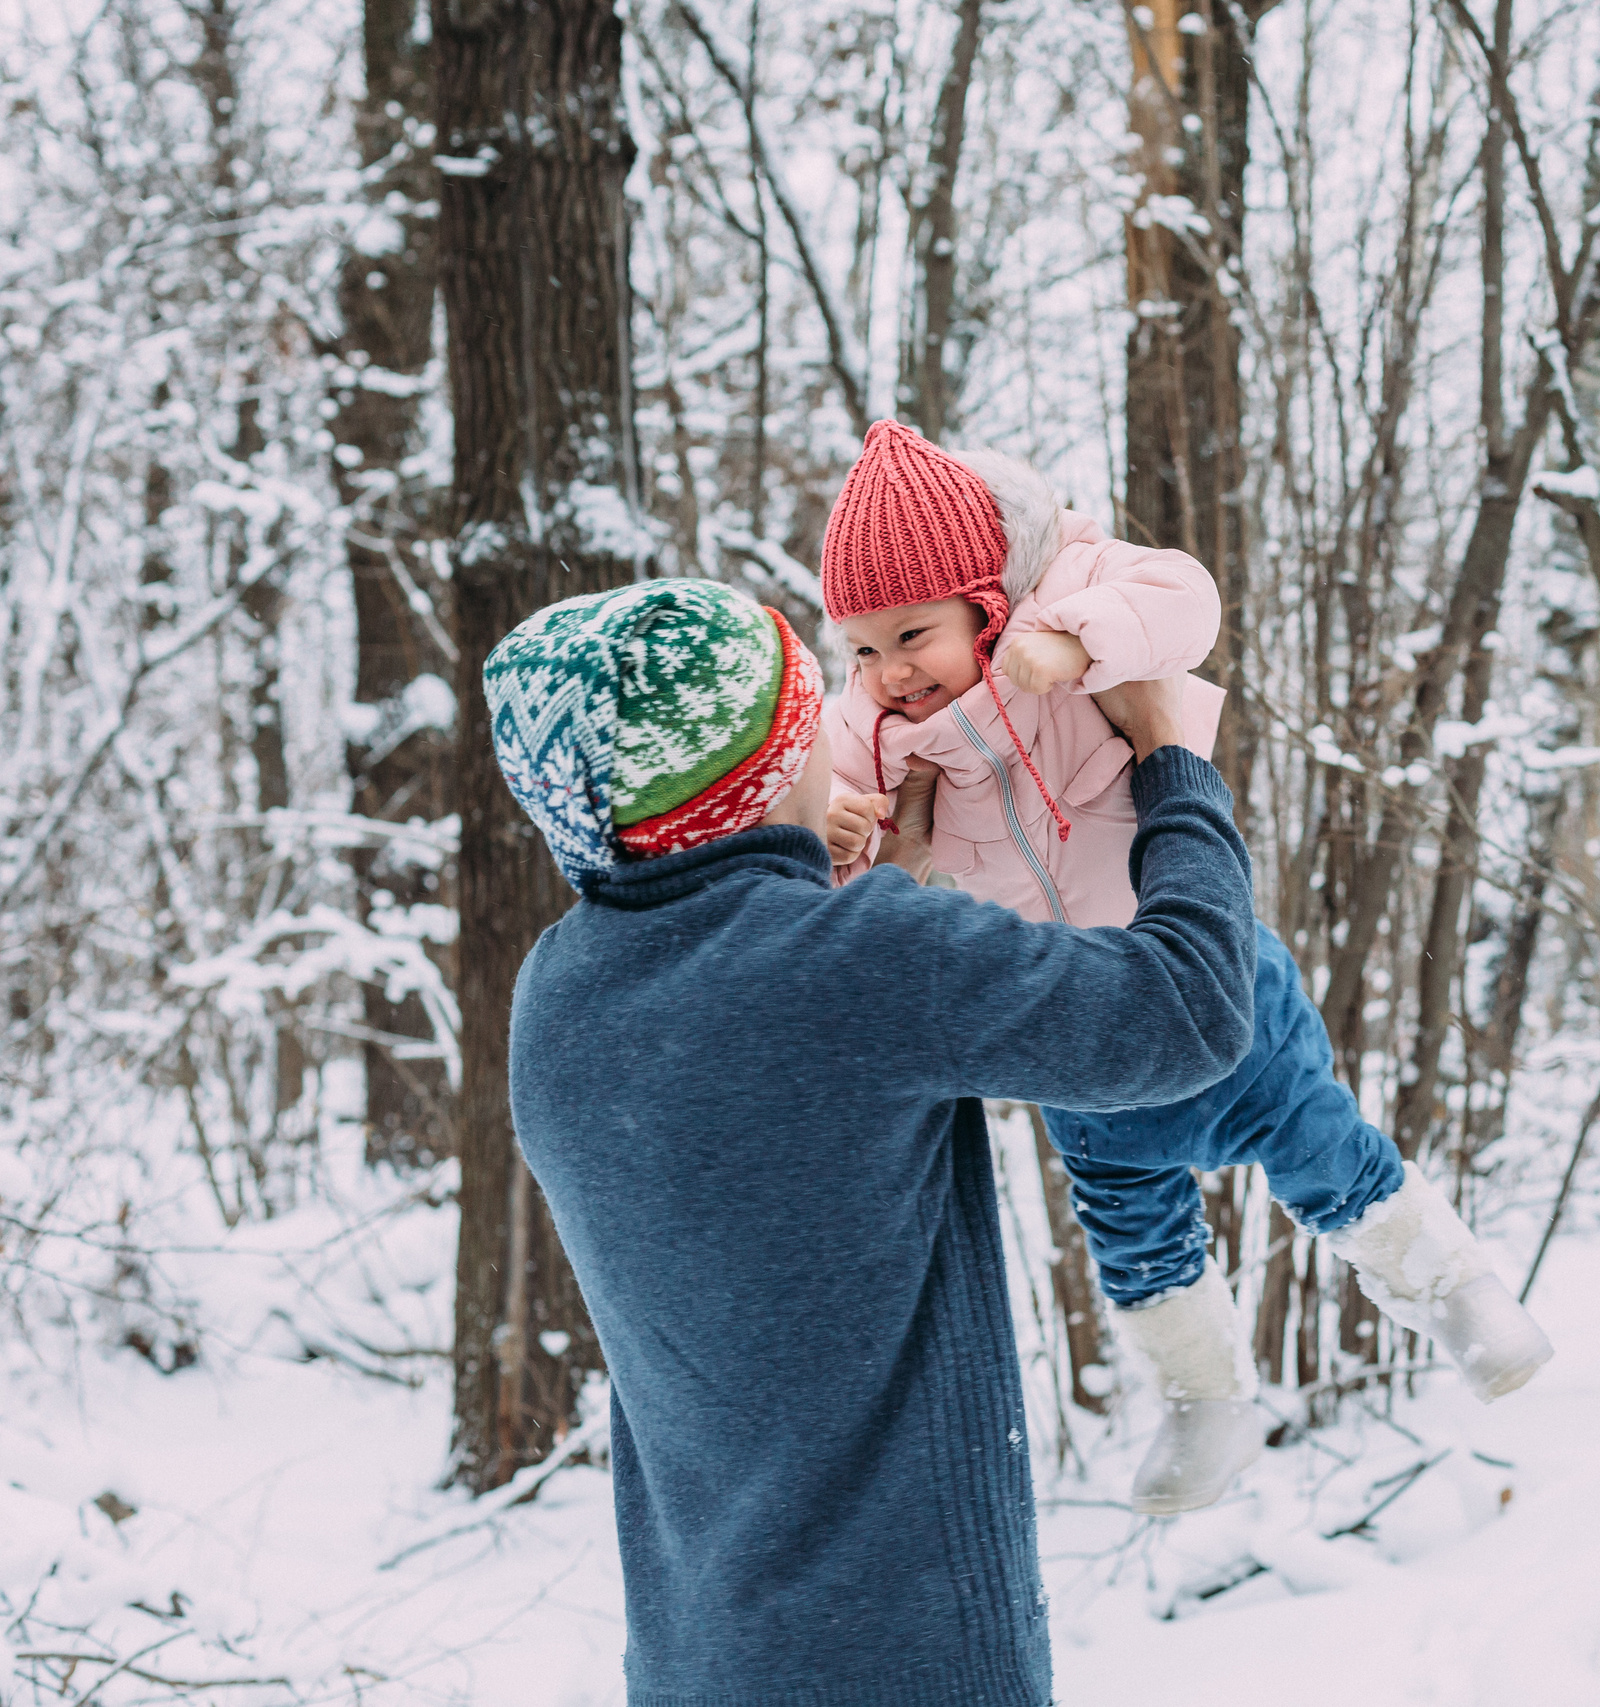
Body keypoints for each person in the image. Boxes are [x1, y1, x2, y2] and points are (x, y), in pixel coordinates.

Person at [484, 574, 1255, 1707]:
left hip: (700, 1662)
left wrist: (884, 882)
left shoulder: (559, 994)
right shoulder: (857, 962)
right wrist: (1172, 761)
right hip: (908, 1659)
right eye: (809, 720)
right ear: (761, 773)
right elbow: (1188, 1011)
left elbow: (782, 1102)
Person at [815, 421, 1554, 1516]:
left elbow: (1186, 600)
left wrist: (1078, 647)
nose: (889, 672)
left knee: (1314, 1139)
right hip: (1070, 1008)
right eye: (862, 649)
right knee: (1126, 1218)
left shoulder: (1068, 589)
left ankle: (1457, 1293)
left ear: (985, 600)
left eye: (911, 634)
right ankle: (1205, 1403)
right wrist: (837, 831)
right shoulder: (878, 732)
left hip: (1194, 952)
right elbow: (836, 851)